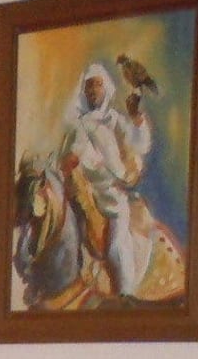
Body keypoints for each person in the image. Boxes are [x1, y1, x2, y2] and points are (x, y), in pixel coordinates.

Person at [55, 61, 155, 298]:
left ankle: (126, 293)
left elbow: (140, 145)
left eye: (97, 85)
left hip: (112, 195)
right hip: (83, 191)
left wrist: (137, 119)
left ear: (106, 88)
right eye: (89, 86)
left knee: (116, 244)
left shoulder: (115, 119)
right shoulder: (79, 125)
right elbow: (71, 157)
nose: (93, 91)